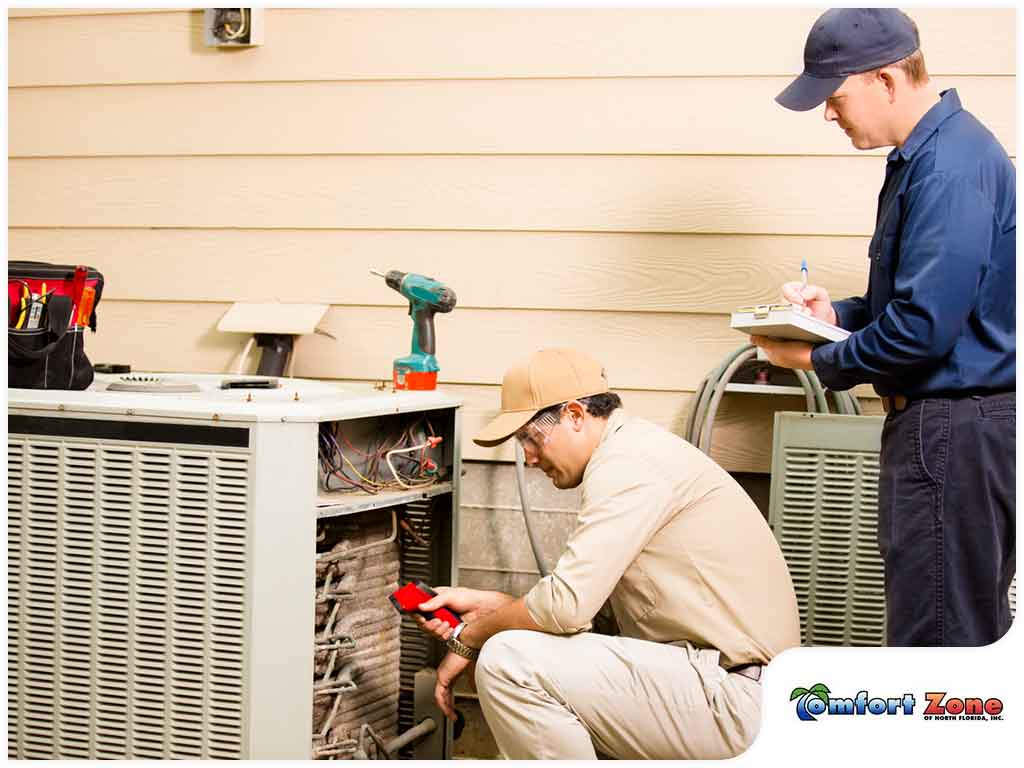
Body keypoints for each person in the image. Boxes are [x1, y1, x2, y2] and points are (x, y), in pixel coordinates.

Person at [754, 8, 1015, 647]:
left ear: (887, 79)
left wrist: (816, 361)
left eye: (836, 96)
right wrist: (831, 318)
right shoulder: (926, 157)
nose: (829, 114)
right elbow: (918, 302)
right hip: (950, 430)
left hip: (950, 431)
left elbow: (923, 330)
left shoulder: (949, 169)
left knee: (938, 643)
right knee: (955, 629)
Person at [414, 347, 800, 759]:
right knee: (515, 648)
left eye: (530, 436)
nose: (527, 455)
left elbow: (564, 609)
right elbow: (578, 616)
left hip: (739, 701)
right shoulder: (632, 452)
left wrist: (472, 636)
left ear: (576, 416)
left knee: (509, 662)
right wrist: (499, 609)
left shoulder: (628, 465)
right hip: (720, 686)